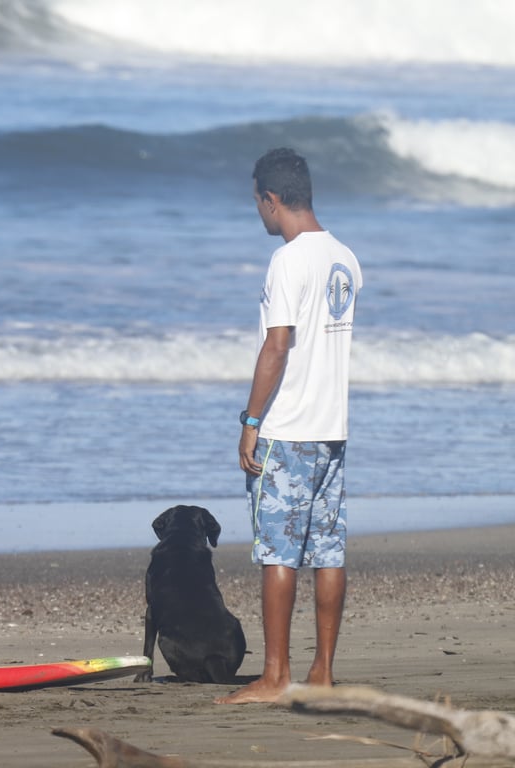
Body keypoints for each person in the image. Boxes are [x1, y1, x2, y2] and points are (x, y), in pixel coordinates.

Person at [217, 148, 362, 705]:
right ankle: (321, 673)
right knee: (327, 552)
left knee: (278, 553)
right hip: (332, 428)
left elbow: (276, 348)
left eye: (258, 202)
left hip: (289, 427)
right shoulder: (346, 258)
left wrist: (251, 421)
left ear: (271, 200)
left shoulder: (289, 260)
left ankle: (276, 676)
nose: (259, 213)